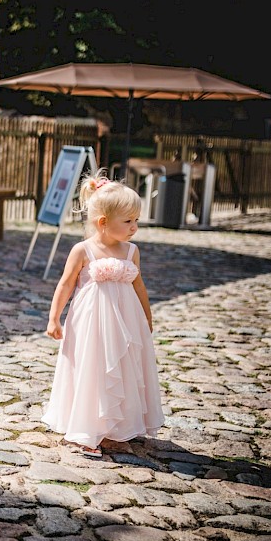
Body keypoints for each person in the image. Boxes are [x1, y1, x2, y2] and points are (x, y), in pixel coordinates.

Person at [41, 170, 164, 458]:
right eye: (128, 221)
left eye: (136, 220)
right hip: (91, 321)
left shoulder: (131, 251)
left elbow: (139, 285)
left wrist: (147, 317)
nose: (134, 227)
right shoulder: (83, 250)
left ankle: (119, 426)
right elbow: (66, 284)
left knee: (123, 366)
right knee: (93, 367)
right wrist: (53, 318)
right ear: (103, 223)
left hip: (126, 320)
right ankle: (87, 428)